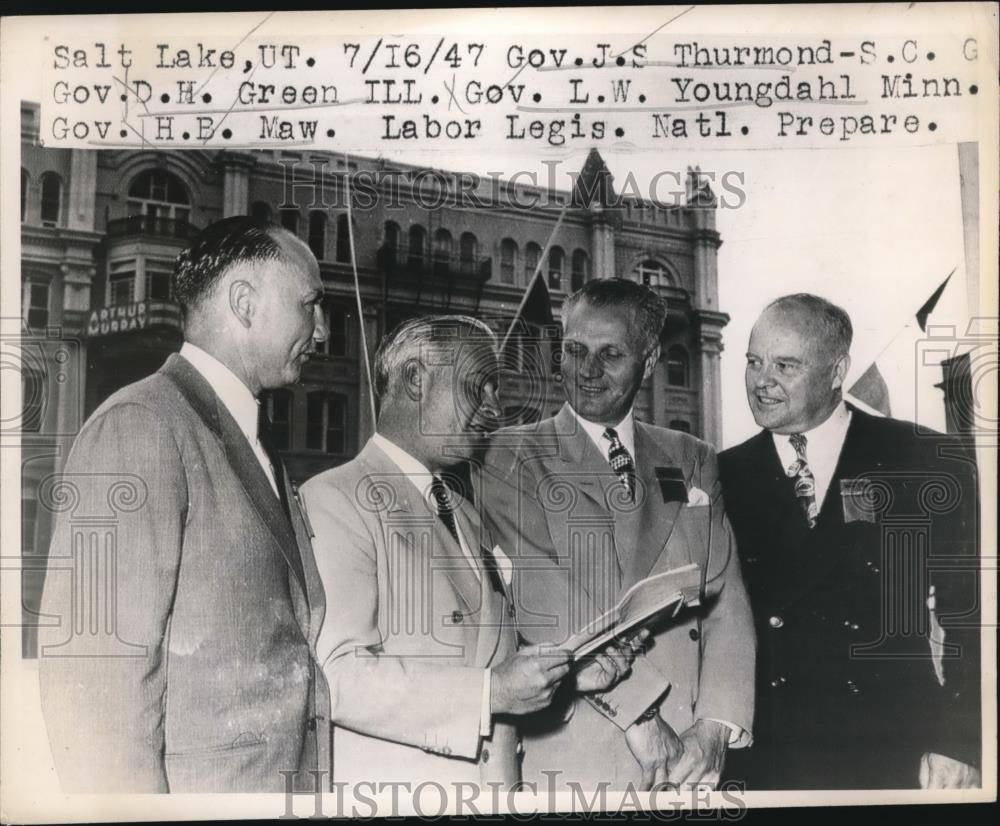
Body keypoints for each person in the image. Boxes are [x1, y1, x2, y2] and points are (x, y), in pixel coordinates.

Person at [38, 217, 331, 793]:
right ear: (244, 303)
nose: (321, 331)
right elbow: (95, 692)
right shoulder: (141, 426)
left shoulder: (253, 437)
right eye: (310, 305)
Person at [301, 316, 636, 793]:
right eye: (478, 385)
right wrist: (494, 691)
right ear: (416, 380)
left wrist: (563, 677)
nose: (493, 408)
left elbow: (481, 660)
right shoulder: (335, 498)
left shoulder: (465, 513)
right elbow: (338, 676)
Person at [482, 279, 756, 791]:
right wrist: (642, 718)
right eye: (573, 350)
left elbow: (727, 600)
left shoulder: (691, 456)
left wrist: (717, 726)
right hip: (575, 758)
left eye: (609, 354)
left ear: (648, 361)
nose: (586, 371)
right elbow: (547, 601)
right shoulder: (508, 455)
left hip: (687, 763)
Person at [720, 293, 981, 790]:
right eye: (753, 362)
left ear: (837, 370)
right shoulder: (721, 476)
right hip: (766, 761)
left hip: (897, 749)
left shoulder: (925, 460)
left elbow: (972, 615)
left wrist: (961, 739)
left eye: (785, 365)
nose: (761, 381)